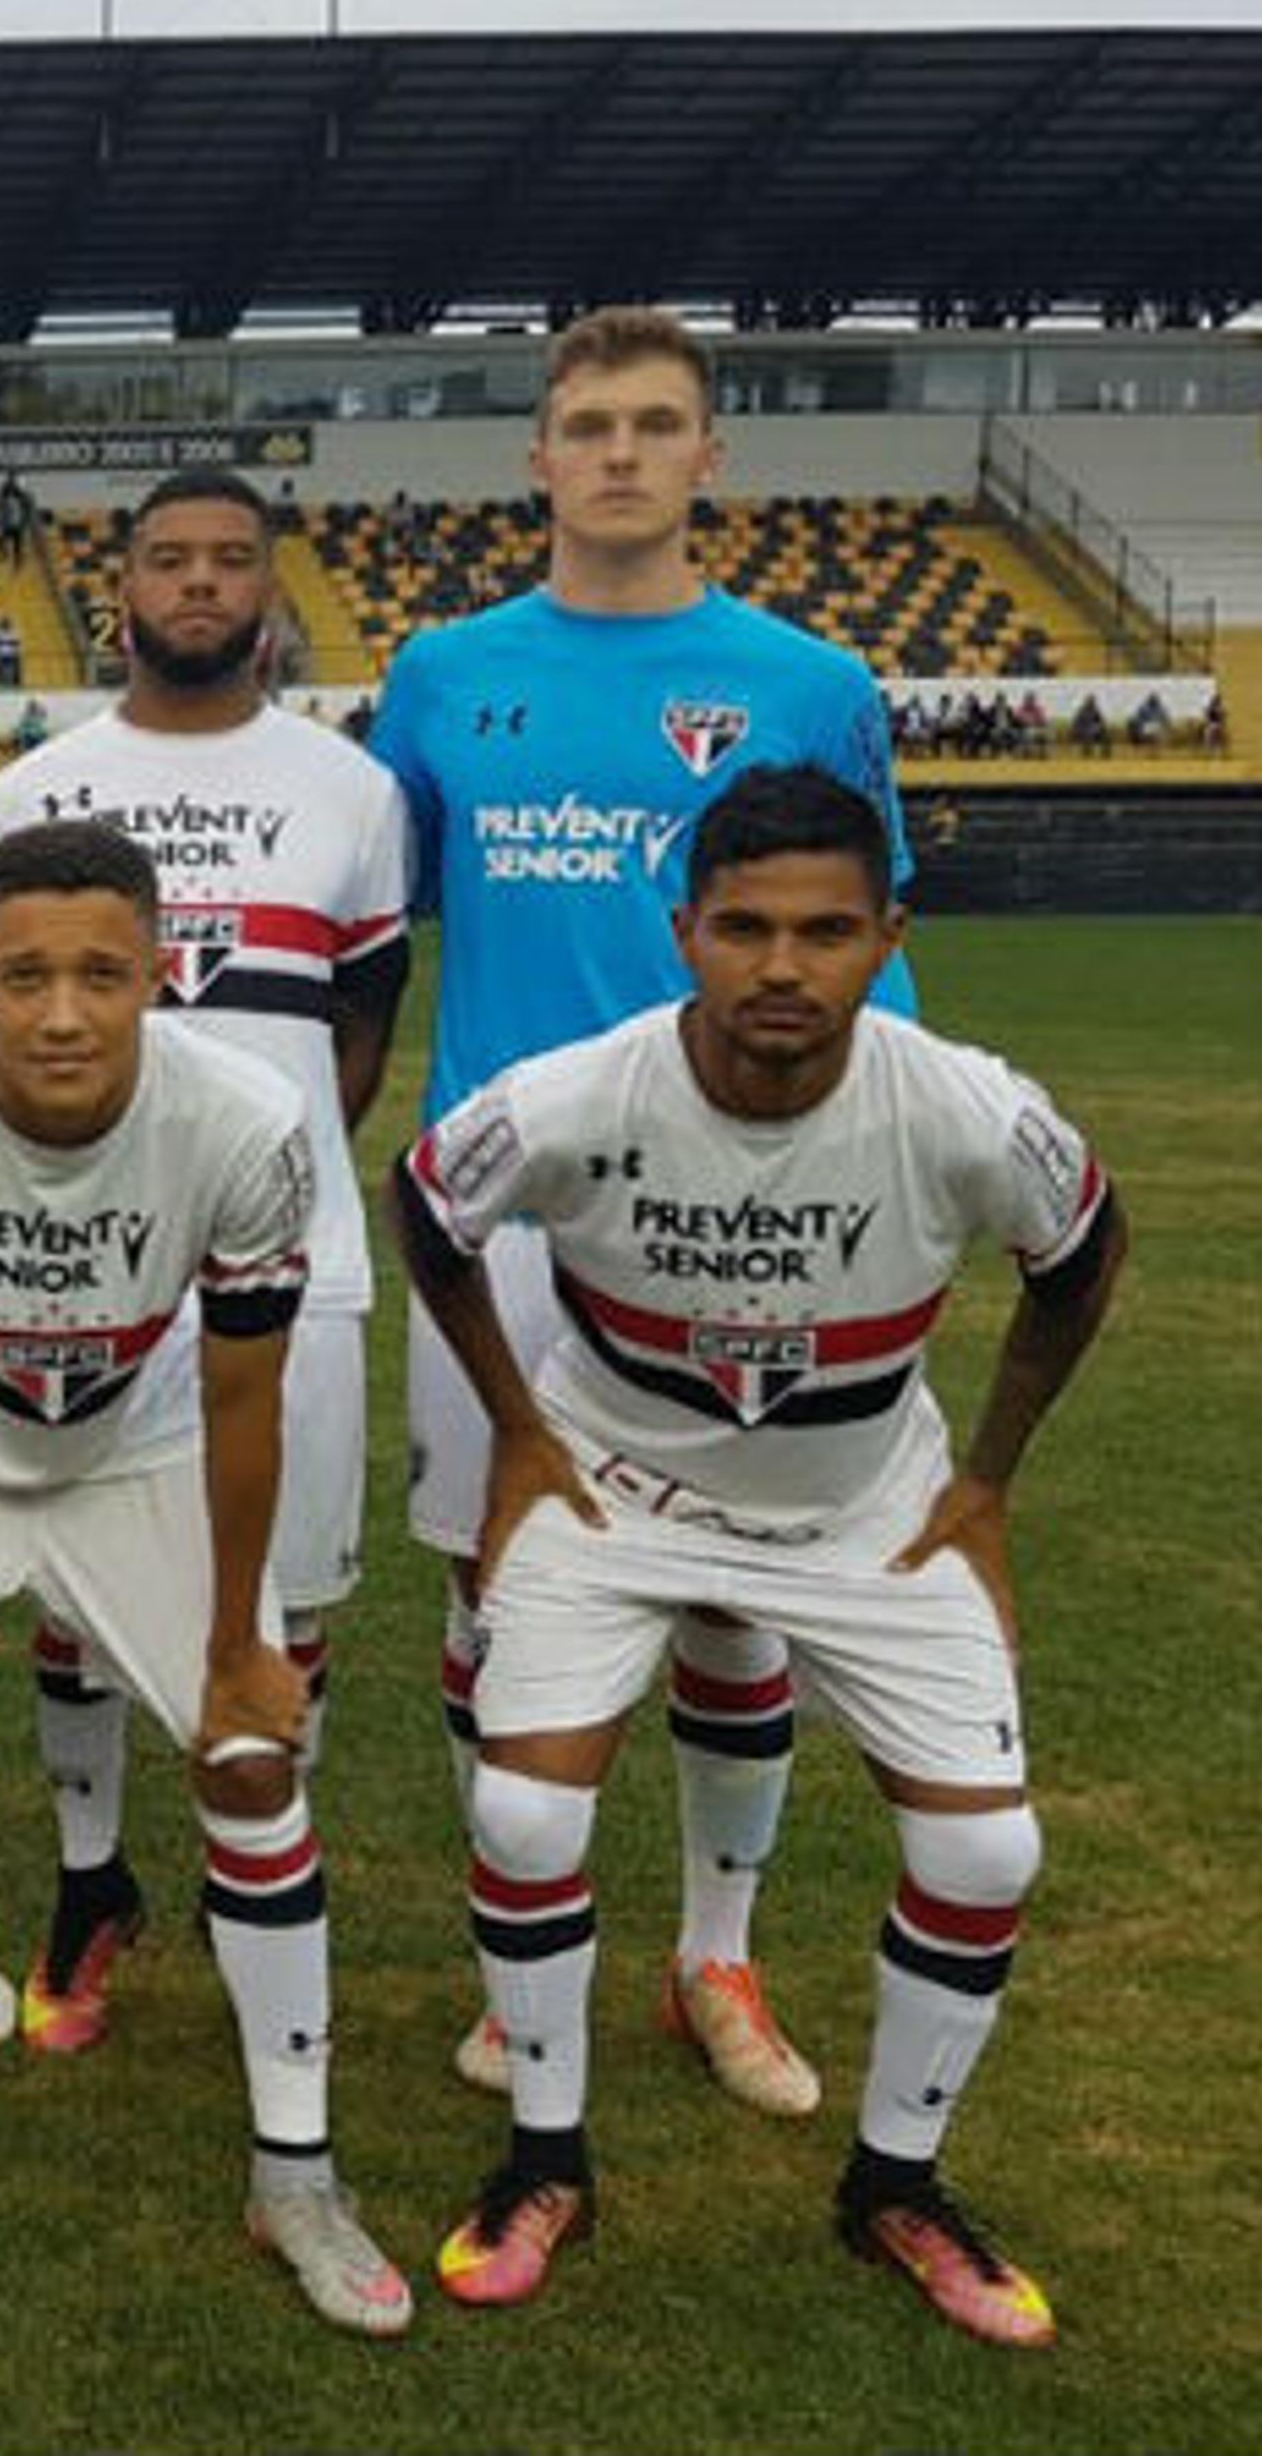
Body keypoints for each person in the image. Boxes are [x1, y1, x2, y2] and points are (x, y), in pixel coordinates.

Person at [396, 766, 1123, 2349]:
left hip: (873, 1502)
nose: (782, 966)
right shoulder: (584, 1091)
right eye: (743, 929)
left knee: (989, 1857)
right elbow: (428, 1205)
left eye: (826, 930)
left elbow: (1083, 1251)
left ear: (889, 935)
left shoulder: (963, 1104)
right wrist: (520, 1432)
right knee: (523, 1804)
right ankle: (542, 2155)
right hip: (612, 1488)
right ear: (685, 933)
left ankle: (895, 2185)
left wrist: (987, 1480)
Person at [368, 303, 919, 2116]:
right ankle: (521, 1955)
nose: (618, 452)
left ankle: (718, 1951)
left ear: (709, 458)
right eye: (588, 423)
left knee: (742, 1596)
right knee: (498, 1582)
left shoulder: (811, 682)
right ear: (539, 458)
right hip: (510, 1210)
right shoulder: (442, 675)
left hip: (732, 1204)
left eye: (654, 423)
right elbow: (386, 928)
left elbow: (868, 967)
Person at [0, 819, 408, 2336]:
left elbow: (247, 1397)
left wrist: (244, 1637)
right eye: (27, 972)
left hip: (139, 1446)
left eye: (103, 973)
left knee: (252, 1764)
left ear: (161, 972)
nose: (63, 1011)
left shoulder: (244, 1124)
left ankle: (296, 2173)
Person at [0, 468, 410, 2057]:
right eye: (172, 559)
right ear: (124, 588)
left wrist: (262, 1167)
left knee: (287, 1594)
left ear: (273, 588)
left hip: (298, 1259)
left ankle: (257, 1854)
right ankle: (93, 1880)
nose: (203, 584)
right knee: (76, 1593)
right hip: (75, 1268)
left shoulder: (353, 793)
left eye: (234, 560)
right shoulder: (35, 787)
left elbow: (361, 1022)